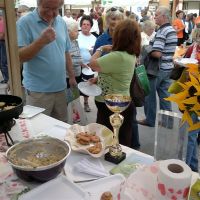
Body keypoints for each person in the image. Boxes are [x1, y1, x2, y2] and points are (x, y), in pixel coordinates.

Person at [16, 0, 76, 122]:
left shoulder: (61, 22)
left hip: (61, 88)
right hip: (38, 91)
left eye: (55, 9)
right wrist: (41, 41)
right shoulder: (24, 23)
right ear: (38, 3)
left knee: (61, 129)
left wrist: (71, 76)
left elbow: (66, 52)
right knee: (39, 132)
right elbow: (20, 57)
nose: (50, 13)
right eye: (47, 7)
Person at [93, 7, 140, 150]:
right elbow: (115, 74)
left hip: (112, 104)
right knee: (121, 139)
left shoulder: (117, 55)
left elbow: (92, 64)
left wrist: (101, 49)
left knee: (109, 141)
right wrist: (99, 79)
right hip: (121, 101)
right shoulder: (129, 54)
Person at [138, 6, 177, 127]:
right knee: (165, 96)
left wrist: (146, 46)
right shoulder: (171, 30)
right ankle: (168, 122)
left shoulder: (162, 31)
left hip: (157, 70)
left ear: (164, 16)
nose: (154, 17)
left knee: (149, 95)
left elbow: (157, 53)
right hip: (168, 68)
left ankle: (150, 120)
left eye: (157, 15)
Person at [77, 15, 96, 112]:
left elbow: (96, 53)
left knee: (87, 86)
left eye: (88, 24)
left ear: (91, 26)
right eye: (83, 24)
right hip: (76, 65)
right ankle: (75, 106)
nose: (85, 26)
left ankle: (86, 103)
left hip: (88, 67)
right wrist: (79, 62)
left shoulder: (94, 38)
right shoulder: (77, 35)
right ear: (80, 25)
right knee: (75, 85)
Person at [0, 10, 8, 84]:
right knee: (2, 62)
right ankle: (6, 78)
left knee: (3, 62)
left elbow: (2, 35)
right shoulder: (2, 22)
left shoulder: (2, 22)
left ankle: (7, 79)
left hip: (2, 43)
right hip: (2, 43)